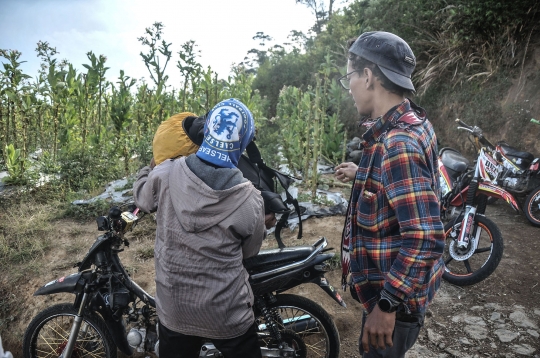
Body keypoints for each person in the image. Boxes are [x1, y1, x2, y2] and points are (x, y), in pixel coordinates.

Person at [133, 99, 275, 358]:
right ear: (243, 144)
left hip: (175, 310)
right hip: (227, 313)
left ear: (206, 131)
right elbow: (250, 252)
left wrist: (148, 168)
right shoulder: (250, 199)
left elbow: (142, 199)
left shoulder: (164, 175)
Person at [334, 31, 445, 357]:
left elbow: (424, 236)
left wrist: (386, 305)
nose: (350, 87)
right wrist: (366, 174)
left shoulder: (397, 144)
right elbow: (408, 185)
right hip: (400, 294)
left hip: (394, 303)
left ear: (368, 76)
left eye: (350, 76)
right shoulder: (412, 120)